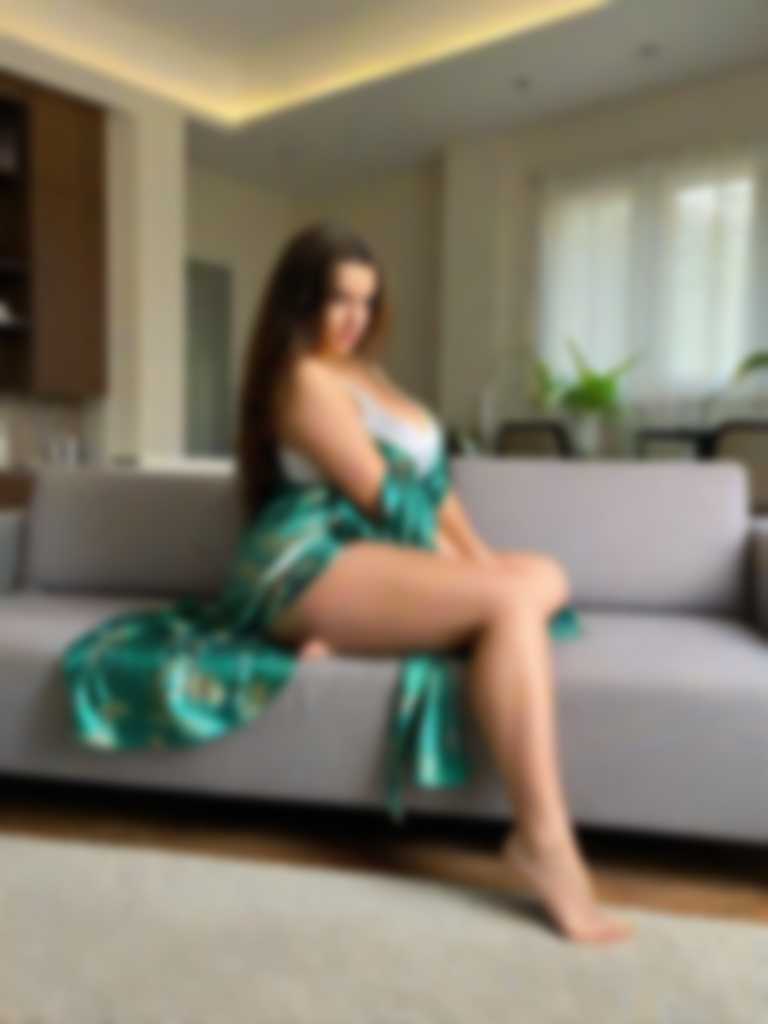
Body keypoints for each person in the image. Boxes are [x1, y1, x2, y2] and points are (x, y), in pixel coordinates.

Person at [61, 220, 632, 945]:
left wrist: (483, 561)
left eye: (365, 300)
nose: (354, 318)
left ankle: (377, 634)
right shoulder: (301, 377)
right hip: (305, 560)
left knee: (544, 574)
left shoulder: (372, 376)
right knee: (514, 600)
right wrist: (479, 581)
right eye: (337, 299)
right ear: (300, 300)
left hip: (376, 552)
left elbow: (432, 489)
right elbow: (384, 498)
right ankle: (545, 841)